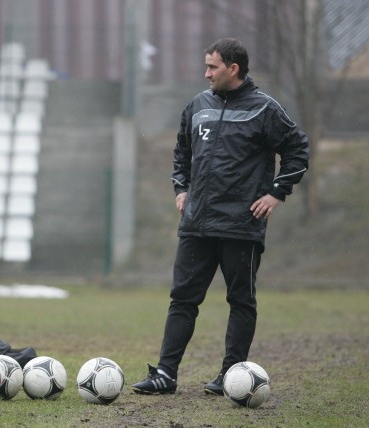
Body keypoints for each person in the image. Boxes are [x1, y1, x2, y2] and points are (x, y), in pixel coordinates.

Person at [131, 38, 309, 396]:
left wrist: (276, 193)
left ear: (233, 69)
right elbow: (181, 151)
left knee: (240, 300)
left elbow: (297, 150)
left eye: (212, 67)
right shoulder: (198, 105)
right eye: (206, 66)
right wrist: (181, 188)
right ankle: (165, 374)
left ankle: (231, 376)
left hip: (241, 225)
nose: (205, 73)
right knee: (182, 298)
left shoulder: (265, 109)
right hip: (197, 223)